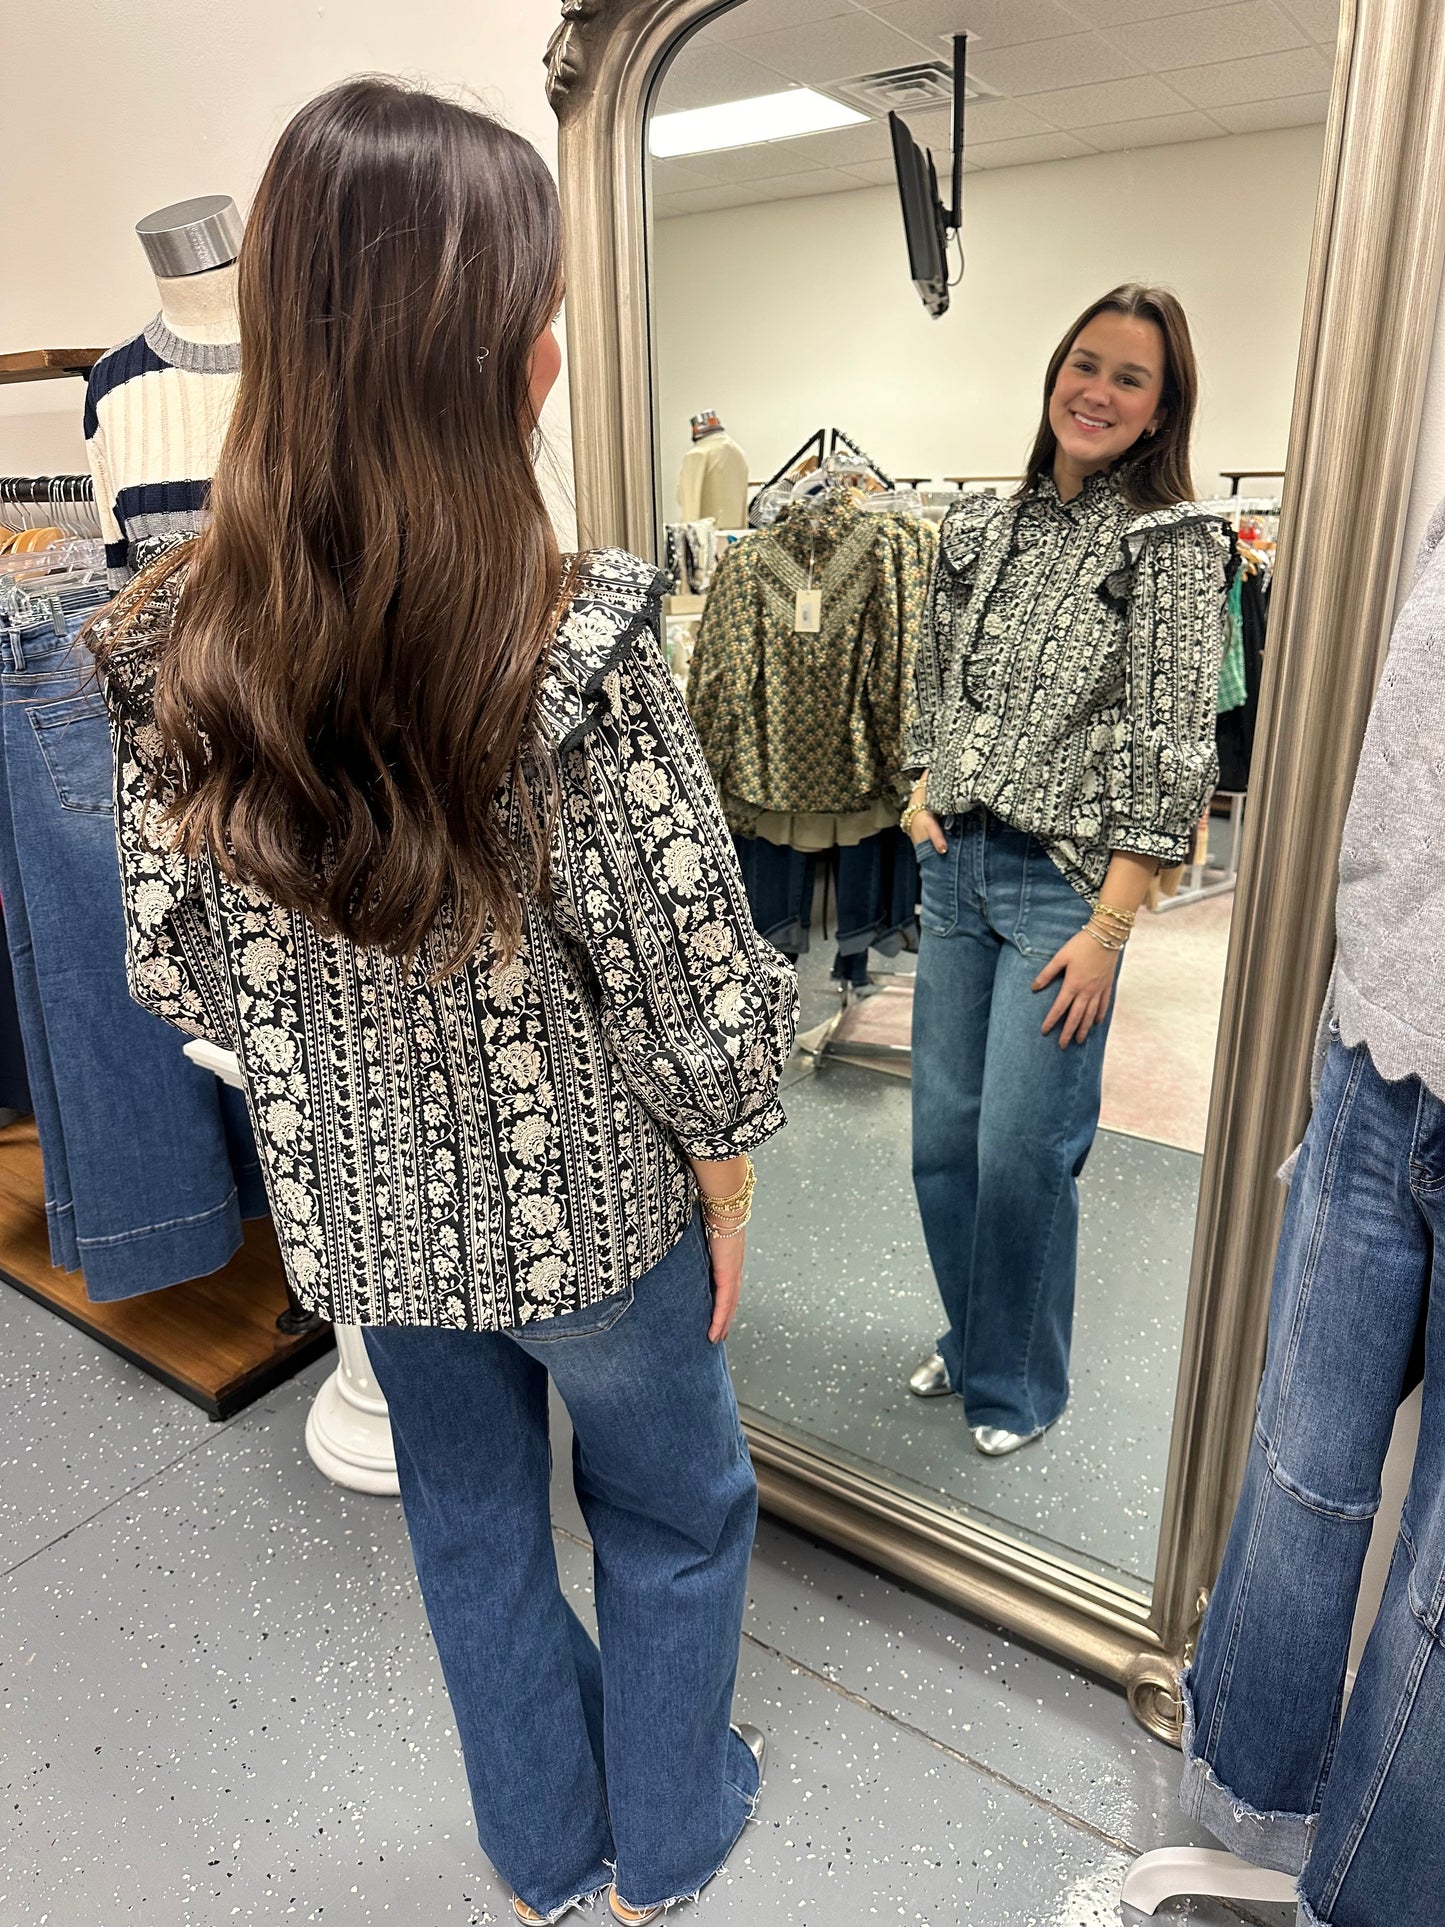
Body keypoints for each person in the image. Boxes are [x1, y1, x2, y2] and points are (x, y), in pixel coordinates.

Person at [85, 78, 797, 1926]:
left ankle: (549, 1855)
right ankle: (675, 1831)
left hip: (368, 1223)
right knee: (673, 1511)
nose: (557, 338)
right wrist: (728, 1173)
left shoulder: (175, 644)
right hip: (595, 1223)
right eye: (537, 303)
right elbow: (690, 973)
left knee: (471, 1526)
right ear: (488, 347)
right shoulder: (574, 639)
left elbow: (171, 958)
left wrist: (336, 1057)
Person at [902, 285, 1229, 1455]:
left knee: (1021, 1151)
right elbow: (932, 668)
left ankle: (1016, 1382)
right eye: (1082, 364)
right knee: (941, 1136)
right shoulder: (981, 526)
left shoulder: (1175, 546)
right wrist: (916, 783)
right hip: (955, 866)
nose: (1095, 390)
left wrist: (1111, 927)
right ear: (1053, 373)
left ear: (1156, 413)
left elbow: (1172, 745)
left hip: (1062, 888)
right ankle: (974, 1330)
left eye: (1127, 378)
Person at [1180, 498, 1445, 1927]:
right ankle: (1244, 1795)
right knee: (1299, 1459)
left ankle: (1368, 1896)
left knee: (1441, 1584)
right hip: (1382, 1025)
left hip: (1393, 1012)